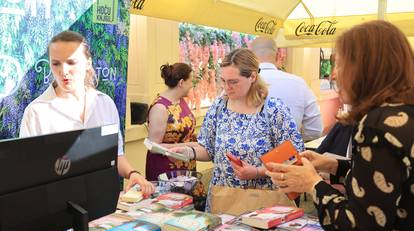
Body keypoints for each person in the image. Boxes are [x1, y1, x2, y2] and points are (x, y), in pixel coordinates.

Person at [266, 20, 414, 231]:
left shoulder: (376, 125)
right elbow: (388, 182)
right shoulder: (403, 114)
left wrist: (313, 184)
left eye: (341, 64)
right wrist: (333, 165)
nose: (333, 74)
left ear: (367, 68)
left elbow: (360, 230)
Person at [19, 30, 154, 195]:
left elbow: (115, 154)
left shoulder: (105, 104)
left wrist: (133, 174)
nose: (64, 71)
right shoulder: (36, 112)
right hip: (59, 208)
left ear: (88, 63)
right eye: (56, 63)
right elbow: (29, 171)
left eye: (71, 62)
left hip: (102, 203)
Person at [171, 48, 304, 212]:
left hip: (263, 202)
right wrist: (189, 152)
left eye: (234, 82)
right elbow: (209, 149)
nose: (227, 87)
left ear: (253, 77)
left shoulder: (273, 110)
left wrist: (257, 172)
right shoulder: (219, 107)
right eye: (223, 81)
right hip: (223, 199)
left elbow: (293, 158)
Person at [251, 37, 323, 141]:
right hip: (288, 154)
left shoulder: (237, 83)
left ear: (250, 56)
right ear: (278, 55)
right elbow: (315, 130)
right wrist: (293, 141)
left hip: (246, 156)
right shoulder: (299, 83)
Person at [146, 62, 197, 181]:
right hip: (166, 169)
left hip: (185, 165)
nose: (192, 85)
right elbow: (153, 146)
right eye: (191, 81)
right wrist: (188, 146)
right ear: (181, 83)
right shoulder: (160, 108)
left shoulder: (181, 101)